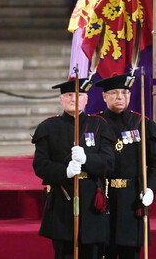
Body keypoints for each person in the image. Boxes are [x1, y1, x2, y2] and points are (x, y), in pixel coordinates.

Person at [32, 77, 115, 259]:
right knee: (65, 251)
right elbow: (40, 165)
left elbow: (109, 163)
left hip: (92, 199)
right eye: (69, 95)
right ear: (61, 99)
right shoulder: (48, 127)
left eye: (78, 95)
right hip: (63, 197)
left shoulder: (99, 125)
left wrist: (87, 159)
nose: (73, 99)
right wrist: (65, 172)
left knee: (92, 252)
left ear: (86, 99)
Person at [93, 73, 156, 259]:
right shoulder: (95, 124)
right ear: (104, 96)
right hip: (103, 196)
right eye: (114, 93)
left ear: (130, 96)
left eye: (124, 92)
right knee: (102, 250)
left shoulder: (142, 124)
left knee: (130, 252)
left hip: (131, 198)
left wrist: (150, 189)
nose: (120, 97)